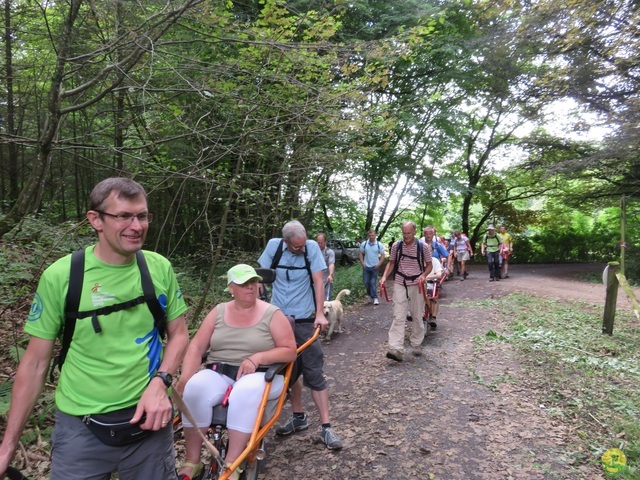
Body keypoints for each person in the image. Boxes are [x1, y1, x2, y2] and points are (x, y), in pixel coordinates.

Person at [0, 178, 189, 480]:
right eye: (123, 216)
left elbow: (179, 333)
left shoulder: (158, 268)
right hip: (81, 429)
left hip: (150, 427)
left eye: (142, 216)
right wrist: (8, 447)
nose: (137, 225)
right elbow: (35, 363)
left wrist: (160, 382)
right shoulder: (62, 276)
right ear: (95, 220)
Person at [176, 265, 297, 480]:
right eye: (243, 284)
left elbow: (290, 351)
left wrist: (258, 357)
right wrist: (185, 377)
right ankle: (192, 462)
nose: (250, 287)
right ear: (231, 288)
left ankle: (232, 464)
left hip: (261, 374)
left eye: (253, 282)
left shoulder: (272, 314)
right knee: (194, 389)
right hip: (220, 370)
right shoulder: (219, 311)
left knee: (244, 391)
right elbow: (196, 348)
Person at [258, 220, 343, 450]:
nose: (301, 248)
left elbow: (318, 281)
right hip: (276, 319)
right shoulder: (274, 247)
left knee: (314, 371)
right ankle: (298, 417)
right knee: (284, 371)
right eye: (296, 246)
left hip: (305, 319)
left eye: (303, 244)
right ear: (286, 242)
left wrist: (319, 313)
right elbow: (259, 279)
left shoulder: (311, 247)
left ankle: (326, 427)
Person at [380, 221, 432, 361]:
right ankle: (396, 348)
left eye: (408, 233)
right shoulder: (397, 246)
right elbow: (391, 263)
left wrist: (423, 275)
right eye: (404, 233)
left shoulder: (423, 247)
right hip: (400, 282)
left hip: (417, 283)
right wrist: (384, 277)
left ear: (414, 232)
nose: (406, 236)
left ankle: (416, 343)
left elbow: (429, 265)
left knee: (416, 315)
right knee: (398, 315)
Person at [359, 229, 386, 305]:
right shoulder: (364, 244)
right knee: (366, 282)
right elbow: (360, 253)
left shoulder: (379, 244)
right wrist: (362, 263)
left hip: (375, 267)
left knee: (372, 282)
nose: (371, 237)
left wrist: (379, 264)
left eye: (373, 235)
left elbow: (383, 255)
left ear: (375, 235)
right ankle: (370, 296)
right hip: (366, 266)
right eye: (370, 235)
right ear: (368, 236)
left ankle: (375, 298)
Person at [424, 257, 444, 330]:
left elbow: (439, 275)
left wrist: (426, 277)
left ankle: (433, 316)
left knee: (434, 296)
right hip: (418, 285)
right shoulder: (415, 260)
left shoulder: (434, 261)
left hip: (430, 284)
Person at [316, 233, 336, 301]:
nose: (320, 245)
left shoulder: (329, 252)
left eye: (321, 243)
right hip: (315, 279)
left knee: (326, 301)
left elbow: (331, 264)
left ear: (325, 242)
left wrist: (330, 275)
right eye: (318, 243)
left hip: (326, 279)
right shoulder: (313, 251)